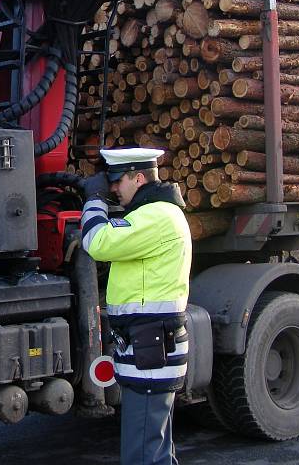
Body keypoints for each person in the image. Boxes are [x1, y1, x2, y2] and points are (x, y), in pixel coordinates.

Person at [80, 147, 191, 465]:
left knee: (142, 454)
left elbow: (98, 242)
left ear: (138, 177)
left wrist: (94, 201)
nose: (114, 188)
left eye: (117, 181)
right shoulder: (157, 214)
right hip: (149, 348)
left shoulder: (155, 216)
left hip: (150, 351)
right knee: (155, 450)